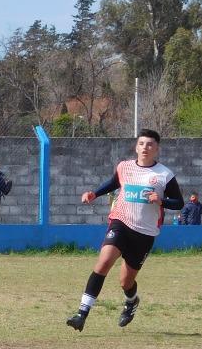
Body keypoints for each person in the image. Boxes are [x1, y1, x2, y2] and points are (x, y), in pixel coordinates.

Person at [66, 129, 184, 332]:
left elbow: (179, 203)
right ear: (136, 147)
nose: (145, 147)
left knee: (126, 281)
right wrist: (94, 193)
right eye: (142, 143)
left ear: (157, 149)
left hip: (145, 233)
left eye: (150, 144)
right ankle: (81, 314)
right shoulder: (125, 167)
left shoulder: (164, 175)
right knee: (103, 263)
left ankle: (131, 302)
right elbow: (113, 183)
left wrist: (161, 200)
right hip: (120, 222)